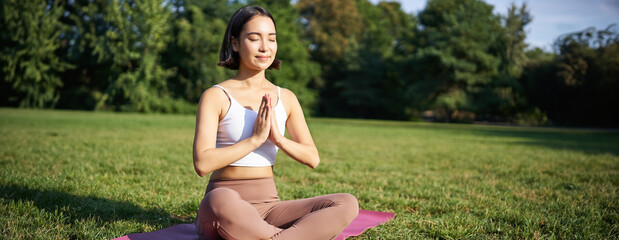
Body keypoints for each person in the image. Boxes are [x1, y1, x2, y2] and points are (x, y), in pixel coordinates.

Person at [192, 5, 359, 240]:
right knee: (218, 200)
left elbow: (312, 158)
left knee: (346, 202)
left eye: (271, 39)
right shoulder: (217, 96)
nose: (264, 47)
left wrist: (278, 139)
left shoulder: (286, 97)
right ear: (236, 44)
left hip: (269, 209)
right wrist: (255, 140)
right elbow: (202, 163)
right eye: (254, 38)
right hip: (226, 203)